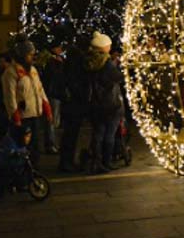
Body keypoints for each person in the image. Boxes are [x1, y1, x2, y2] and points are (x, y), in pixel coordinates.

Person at [2, 37, 52, 169]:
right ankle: (21, 171)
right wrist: (15, 115)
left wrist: (46, 107)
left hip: (34, 113)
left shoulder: (33, 70)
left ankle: (33, 170)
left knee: (35, 144)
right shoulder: (11, 73)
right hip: (22, 116)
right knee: (22, 146)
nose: (32, 57)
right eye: (30, 54)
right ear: (22, 56)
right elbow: (10, 96)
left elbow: (40, 90)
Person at [85, 32, 125, 172]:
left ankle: (96, 161)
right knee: (109, 135)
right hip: (110, 104)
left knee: (98, 134)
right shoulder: (107, 64)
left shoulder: (90, 61)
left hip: (95, 104)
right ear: (103, 47)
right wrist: (120, 67)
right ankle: (106, 162)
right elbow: (118, 77)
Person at [58, 36, 91, 172]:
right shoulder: (77, 60)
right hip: (74, 103)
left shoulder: (70, 59)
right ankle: (67, 162)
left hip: (70, 103)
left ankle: (66, 161)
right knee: (71, 134)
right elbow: (76, 82)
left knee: (69, 134)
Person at [41, 41, 65, 154]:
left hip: (55, 93)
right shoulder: (52, 62)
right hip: (53, 93)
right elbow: (55, 77)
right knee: (51, 120)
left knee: (54, 120)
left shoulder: (55, 61)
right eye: (59, 47)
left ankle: (52, 143)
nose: (61, 49)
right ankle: (51, 144)